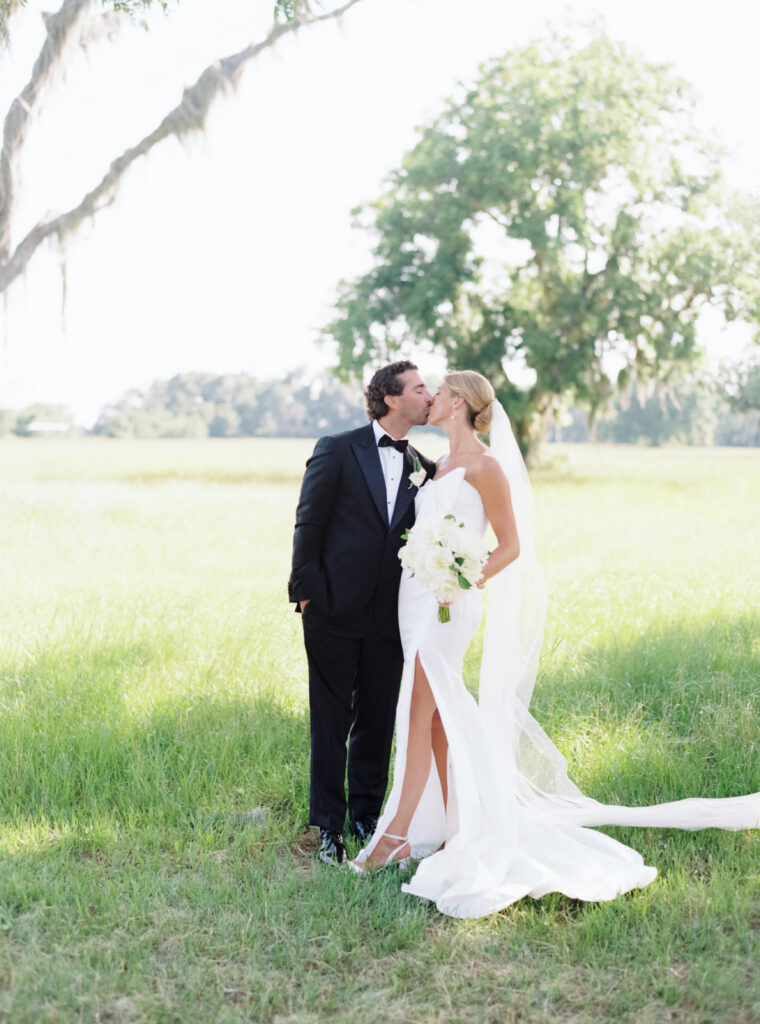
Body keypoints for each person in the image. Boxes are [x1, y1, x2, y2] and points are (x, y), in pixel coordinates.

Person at [349, 370, 760, 918]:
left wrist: (464, 578)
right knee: (441, 720)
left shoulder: (485, 467)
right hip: (418, 601)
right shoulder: (440, 466)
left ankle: (396, 836)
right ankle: (455, 827)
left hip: (449, 605)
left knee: (419, 713)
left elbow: (511, 545)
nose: (432, 398)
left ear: (461, 404)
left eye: (440, 392)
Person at [289, 360, 436, 865]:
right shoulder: (338, 447)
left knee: (377, 718)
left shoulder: (425, 466)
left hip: (392, 617)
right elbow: (308, 522)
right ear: (391, 398)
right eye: (420, 388)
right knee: (331, 718)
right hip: (331, 609)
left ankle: (365, 816)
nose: (429, 394)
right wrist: (306, 596)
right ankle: (328, 826)